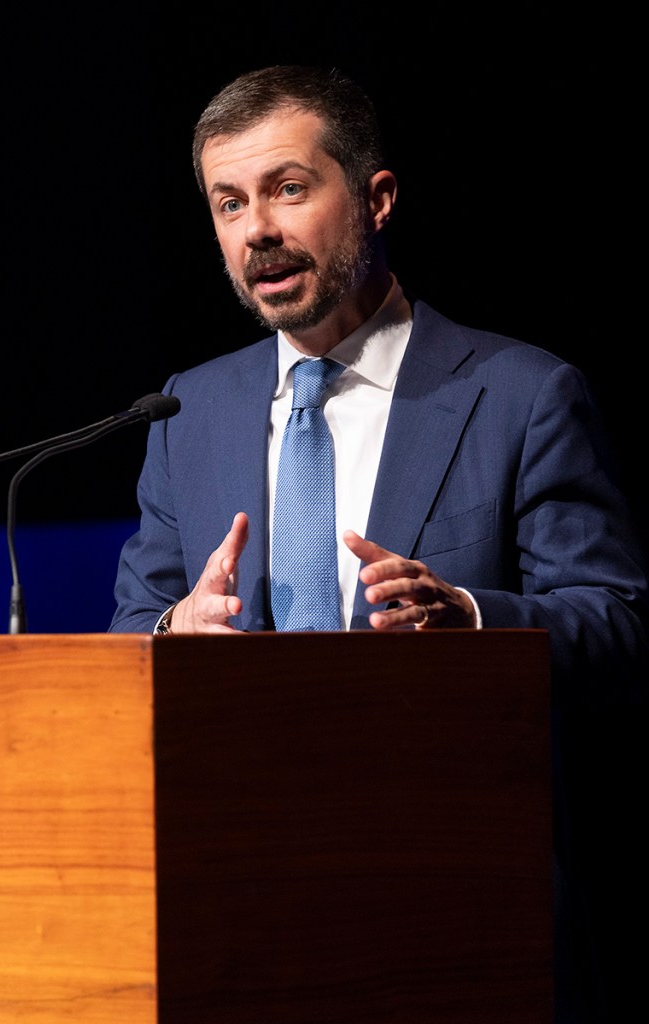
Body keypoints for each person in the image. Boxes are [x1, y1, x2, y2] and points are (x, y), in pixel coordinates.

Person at [109, 65, 648, 1021]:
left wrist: (469, 620)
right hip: (239, 912)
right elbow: (129, 633)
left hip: (461, 915)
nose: (256, 230)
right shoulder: (187, 411)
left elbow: (614, 629)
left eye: (287, 188)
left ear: (376, 198)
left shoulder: (520, 395)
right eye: (229, 203)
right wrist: (171, 636)